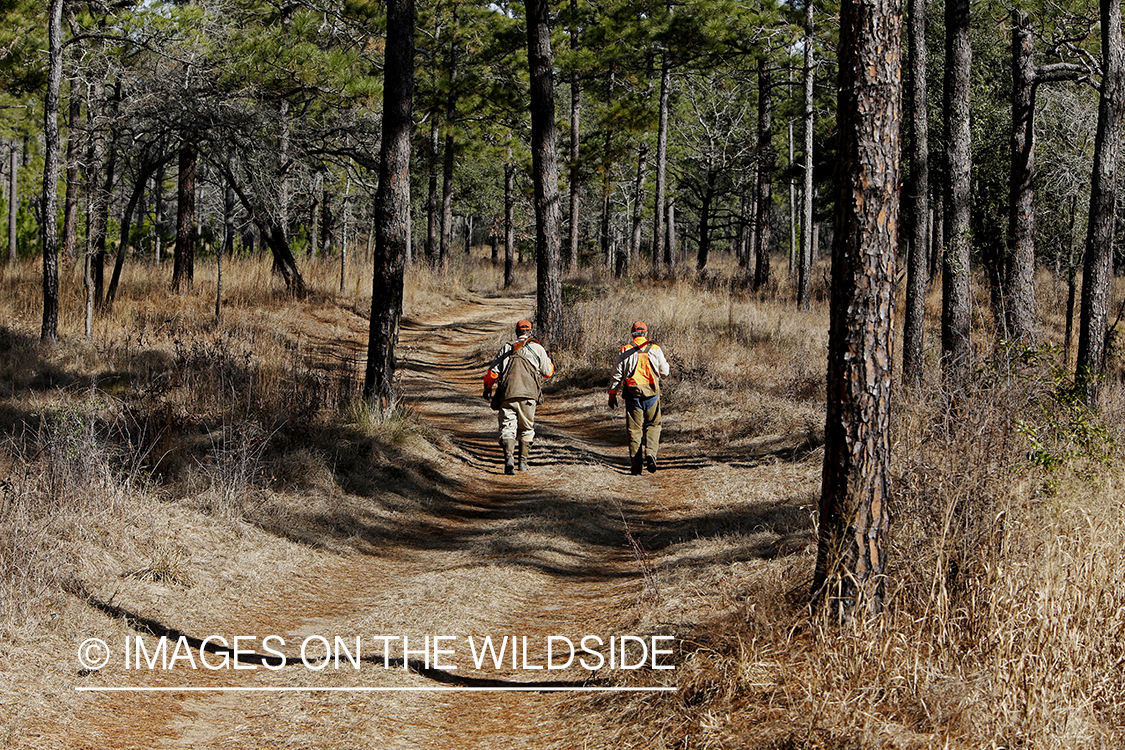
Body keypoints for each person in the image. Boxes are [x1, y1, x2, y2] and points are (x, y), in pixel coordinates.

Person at [483, 319, 555, 474]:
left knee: (507, 428)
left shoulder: (507, 348)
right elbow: (547, 373)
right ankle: (523, 463)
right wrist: (551, 361)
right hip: (529, 396)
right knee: (527, 428)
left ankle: (509, 459)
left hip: (507, 395)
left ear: (516, 331)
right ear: (530, 331)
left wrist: (487, 388)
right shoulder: (538, 349)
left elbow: (493, 372)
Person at [608, 321, 670, 474]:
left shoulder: (625, 350)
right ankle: (650, 453)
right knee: (653, 425)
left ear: (632, 333)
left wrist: (612, 393)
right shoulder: (655, 349)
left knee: (634, 430)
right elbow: (665, 372)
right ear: (646, 334)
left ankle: (636, 467)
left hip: (632, 395)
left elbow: (617, 375)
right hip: (652, 395)